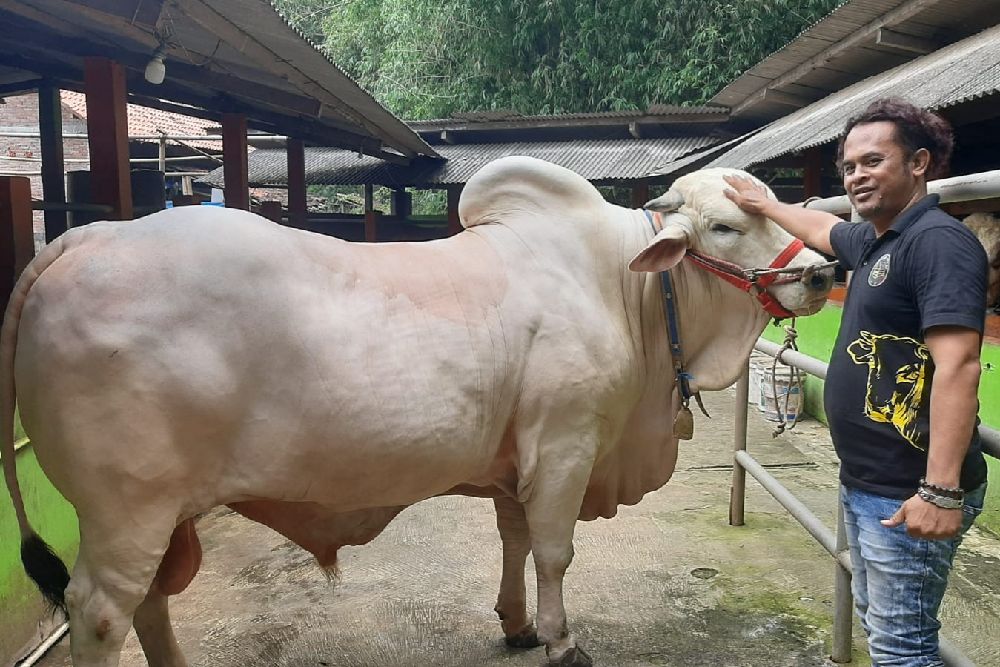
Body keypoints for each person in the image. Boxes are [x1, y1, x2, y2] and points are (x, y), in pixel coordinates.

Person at [723, 97, 989, 667]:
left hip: (908, 489)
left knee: (901, 649)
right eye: (849, 167)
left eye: (873, 161)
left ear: (919, 162)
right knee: (885, 626)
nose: (857, 176)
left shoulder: (937, 242)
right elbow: (822, 225)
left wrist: (940, 491)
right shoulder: (876, 239)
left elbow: (960, 366)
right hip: (869, 481)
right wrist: (765, 204)